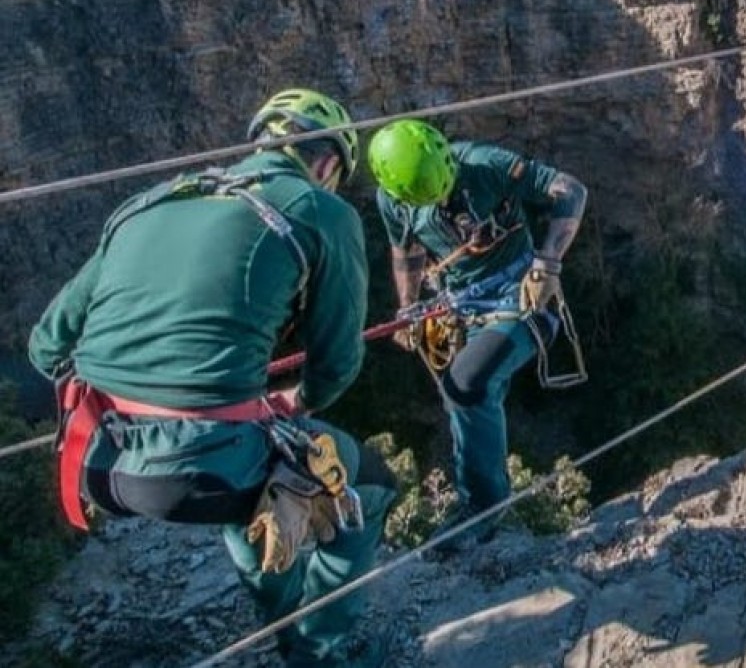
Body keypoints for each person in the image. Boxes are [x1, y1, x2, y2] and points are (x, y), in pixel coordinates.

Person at [28, 89, 396, 668]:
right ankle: (317, 651)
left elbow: (46, 345)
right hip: (200, 471)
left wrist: (142, 380)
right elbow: (335, 367)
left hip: (95, 465)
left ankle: (284, 627)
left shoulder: (147, 200)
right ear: (327, 164)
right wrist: (290, 402)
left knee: (255, 484)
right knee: (368, 489)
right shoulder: (322, 211)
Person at [366, 118, 587, 552]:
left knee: (466, 386)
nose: (446, 199)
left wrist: (549, 262)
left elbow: (570, 191)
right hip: (461, 305)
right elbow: (406, 249)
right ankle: (481, 499)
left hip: (524, 293)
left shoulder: (484, 163)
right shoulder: (393, 200)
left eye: (447, 188)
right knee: (460, 390)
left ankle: (483, 508)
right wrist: (409, 308)